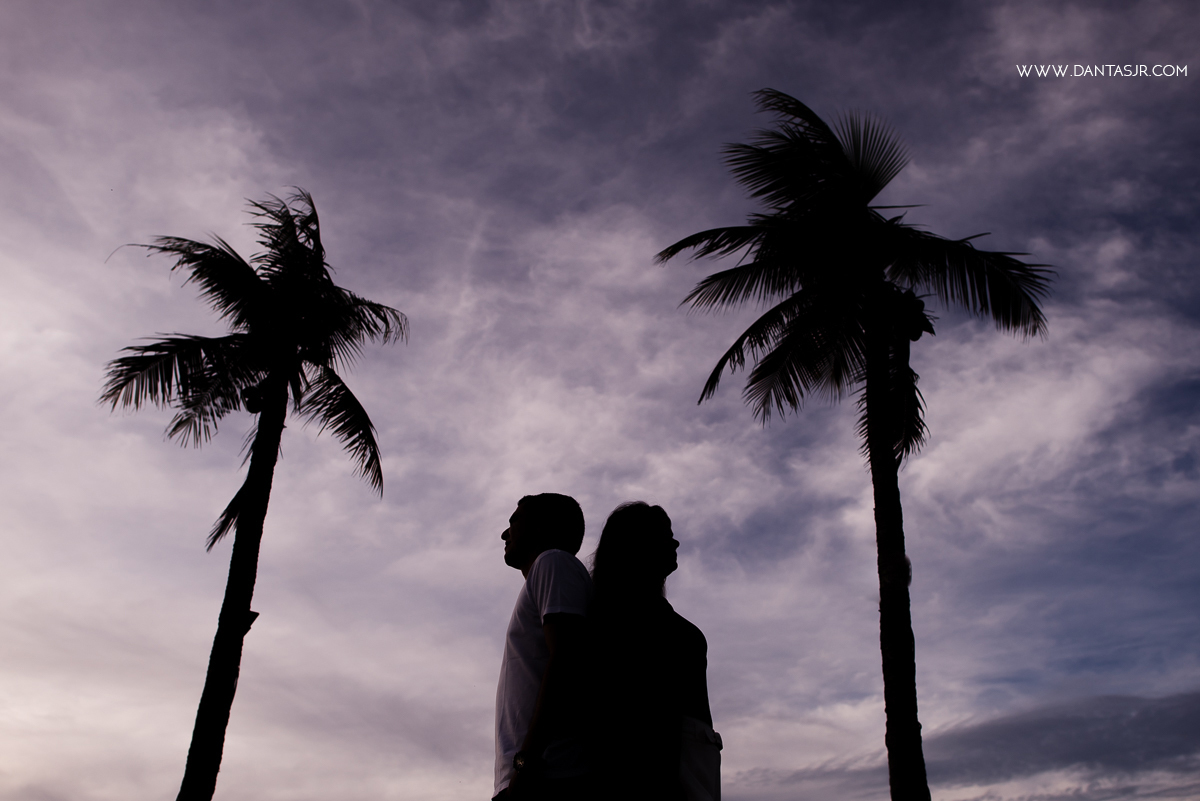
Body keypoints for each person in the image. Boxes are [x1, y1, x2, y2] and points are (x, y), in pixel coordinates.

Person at [589, 502, 722, 801]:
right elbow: (644, 712)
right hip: (665, 770)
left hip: (688, 763)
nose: (675, 542)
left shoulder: (644, 611)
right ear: (635, 545)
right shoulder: (630, 617)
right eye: (664, 535)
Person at [493, 493, 593, 801]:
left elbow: (566, 660)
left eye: (515, 521)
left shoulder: (554, 562)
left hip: (548, 778)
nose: (505, 533)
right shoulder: (549, 572)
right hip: (539, 777)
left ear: (540, 527)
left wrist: (525, 765)